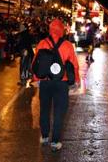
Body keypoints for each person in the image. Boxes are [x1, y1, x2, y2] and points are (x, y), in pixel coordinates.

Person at [33, 19, 80, 152]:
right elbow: (74, 65)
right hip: (61, 83)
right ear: (62, 30)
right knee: (59, 111)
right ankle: (55, 141)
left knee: (44, 109)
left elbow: (36, 62)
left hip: (46, 82)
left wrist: (36, 79)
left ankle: (44, 136)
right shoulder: (67, 45)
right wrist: (76, 81)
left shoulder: (42, 43)